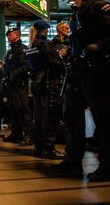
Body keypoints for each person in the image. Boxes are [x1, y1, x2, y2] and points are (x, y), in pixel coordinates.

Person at [52, 0, 110, 181]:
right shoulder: (75, 14)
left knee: (104, 120)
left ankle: (109, 166)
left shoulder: (98, 7)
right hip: (78, 71)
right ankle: (73, 161)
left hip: (98, 70)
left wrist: (96, 47)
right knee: (71, 117)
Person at [26, 20, 65, 159]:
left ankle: (38, 146)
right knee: (50, 116)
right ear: (45, 30)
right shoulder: (45, 44)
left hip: (37, 84)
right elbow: (56, 64)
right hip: (49, 82)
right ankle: (48, 147)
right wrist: (62, 57)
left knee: (38, 116)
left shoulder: (31, 45)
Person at [2, 28, 33, 146]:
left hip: (20, 84)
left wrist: (15, 74)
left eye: (10, 34)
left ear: (17, 35)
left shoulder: (22, 49)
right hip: (11, 84)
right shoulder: (11, 51)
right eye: (8, 35)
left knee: (22, 109)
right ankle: (16, 134)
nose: (8, 37)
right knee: (13, 110)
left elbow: (27, 65)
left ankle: (29, 136)